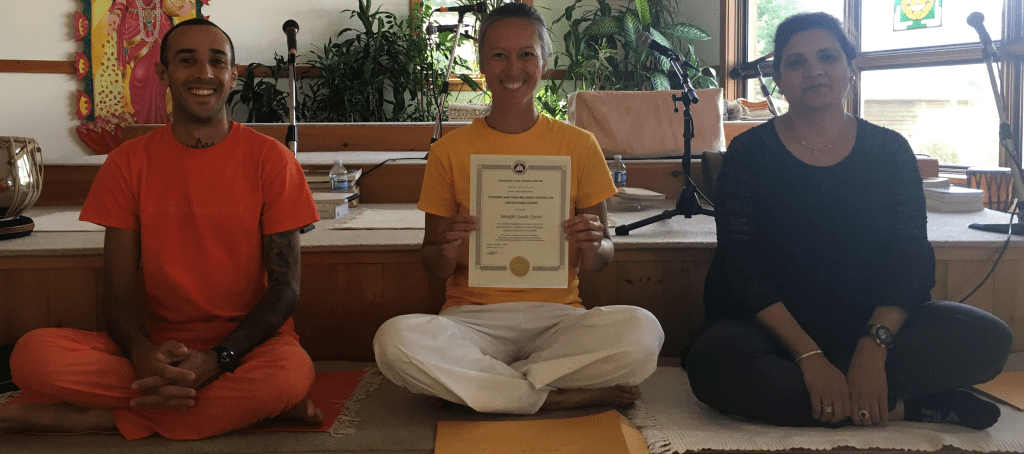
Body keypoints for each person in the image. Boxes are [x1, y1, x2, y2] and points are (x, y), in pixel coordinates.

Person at [684, 12, 1012, 430]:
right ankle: (901, 407)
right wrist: (809, 356)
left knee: (988, 339)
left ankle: (840, 395)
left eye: (828, 56)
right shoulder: (748, 154)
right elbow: (741, 269)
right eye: (796, 61)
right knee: (714, 365)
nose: (814, 70)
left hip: (873, 329)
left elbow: (911, 259)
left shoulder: (891, 150)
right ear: (779, 79)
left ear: (850, 69)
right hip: (775, 335)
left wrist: (872, 350)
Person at [1, 19, 324, 439]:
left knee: (288, 374)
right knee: (32, 356)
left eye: (217, 62)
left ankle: (86, 417)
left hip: (248, 348)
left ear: (232, 74)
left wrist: (218, 358)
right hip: (156, 345)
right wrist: (141, 355)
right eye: (187, 60)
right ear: (162, 73)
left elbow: (285, 290)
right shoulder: (128, 162)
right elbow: (117, 292)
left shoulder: (273, 161)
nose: (204, 73)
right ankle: (231, 406)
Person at [372, 2, 664, 414]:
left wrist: (594, 244)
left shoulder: (579, 145)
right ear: (482, 64)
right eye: (498, 55)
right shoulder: (449, 150)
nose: (513, 68)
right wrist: (447, 250)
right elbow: (432, 263)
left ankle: (493, 387)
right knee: (393, 340)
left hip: (559, 319)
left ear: (544, 62)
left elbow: (601, 260)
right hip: (472, 319)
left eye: (527, 53)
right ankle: (551, 393)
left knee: (642, 331)